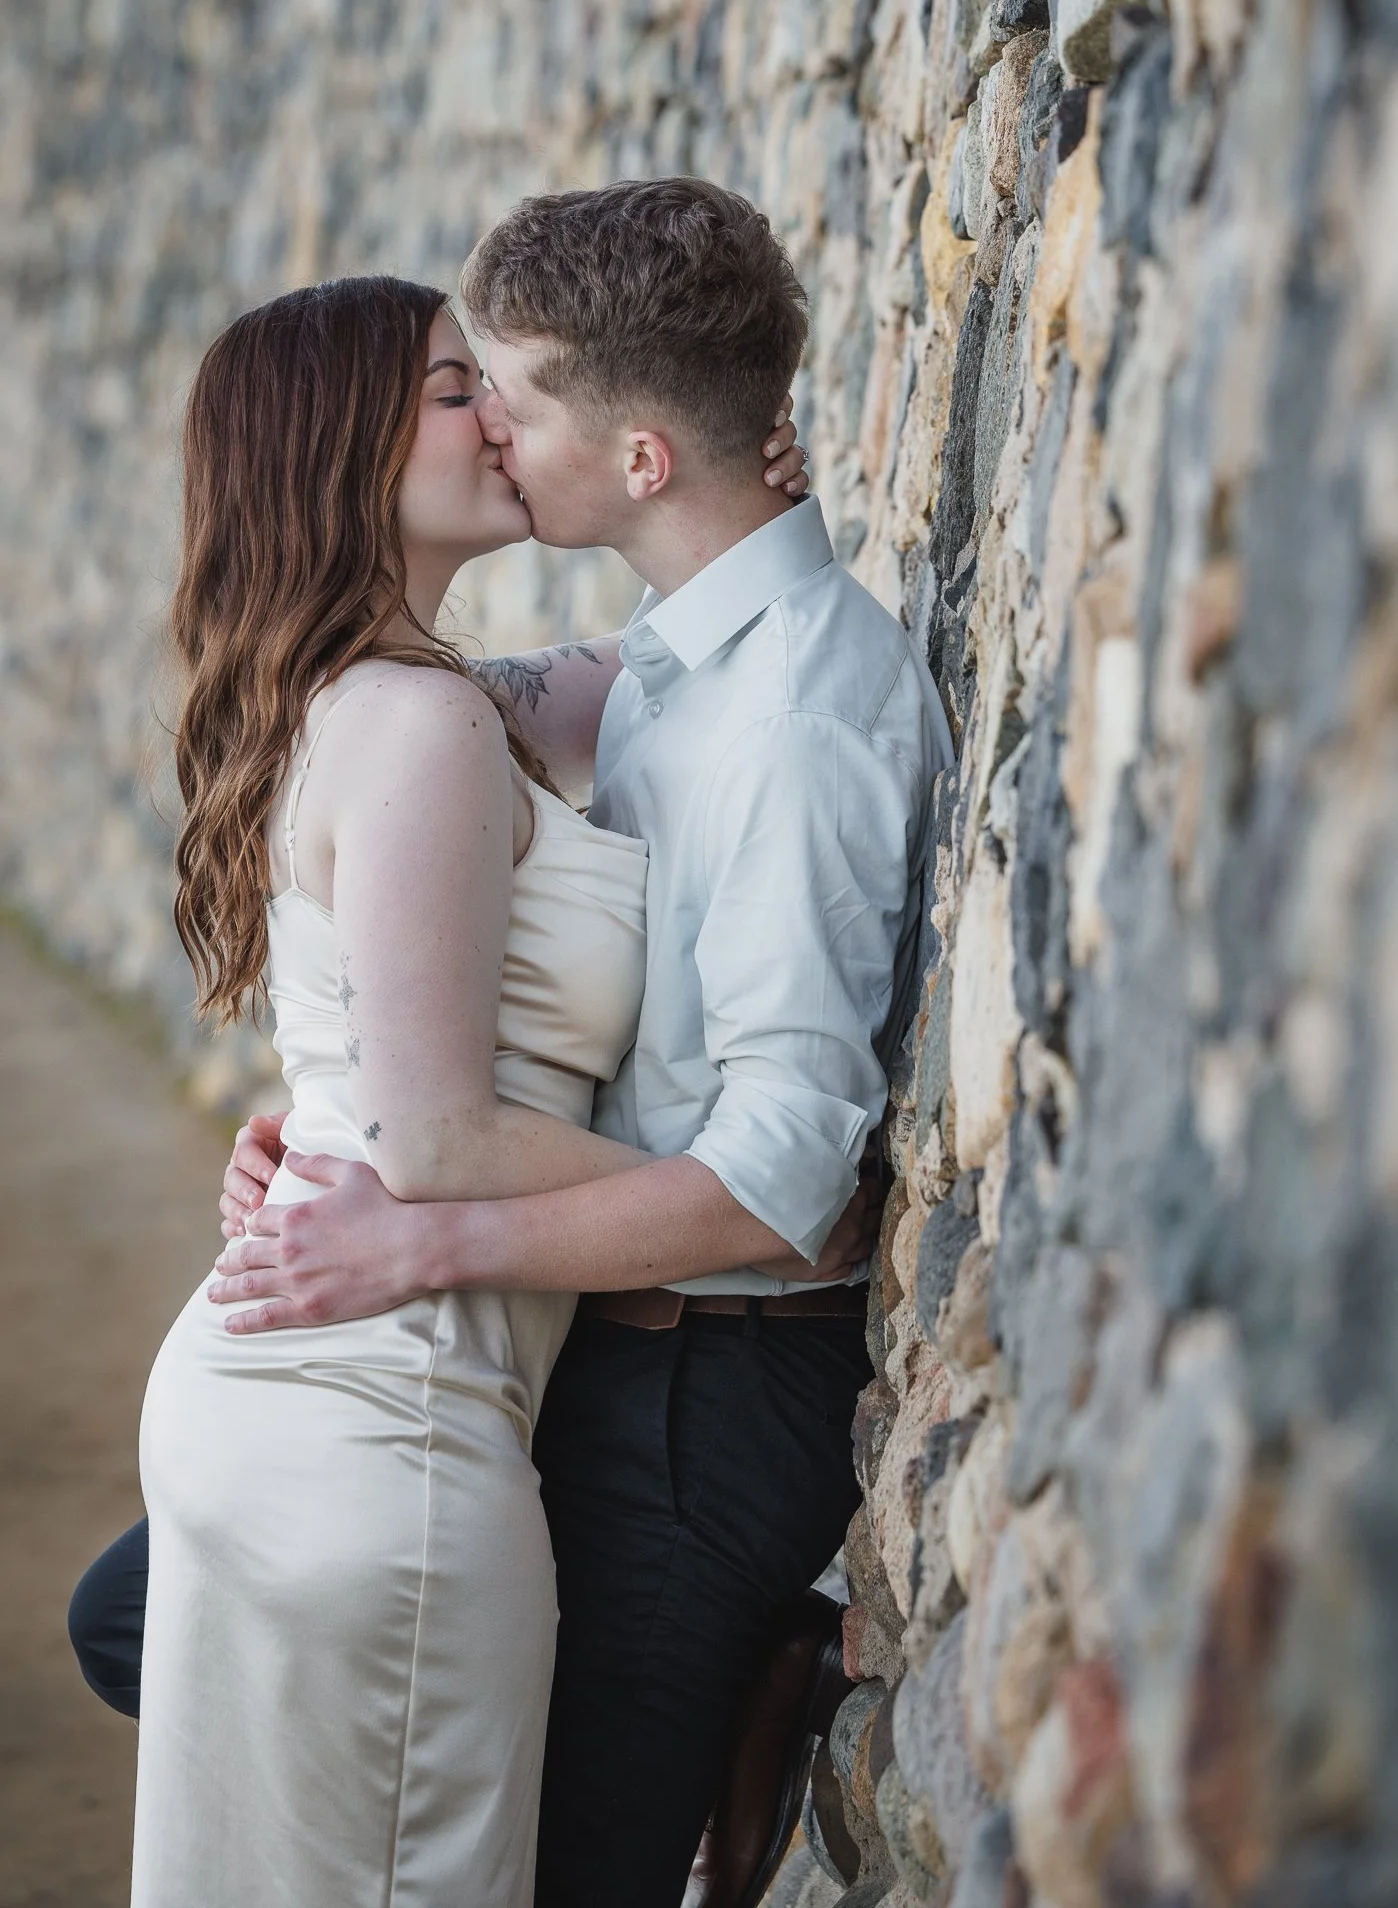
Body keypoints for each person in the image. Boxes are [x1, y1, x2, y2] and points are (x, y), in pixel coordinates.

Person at [76, 179, 952, 1908]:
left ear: (630, 459)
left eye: (507, 391)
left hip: (697, 1358)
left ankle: (746, 1659)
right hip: (546, 1313)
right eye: (454, 386)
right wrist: (339, 1117)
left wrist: (418, 1206)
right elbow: (419, 785)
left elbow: (777, 1181)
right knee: (158, 1628)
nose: (486, 418)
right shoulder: (639, 674)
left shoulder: (784, 719)